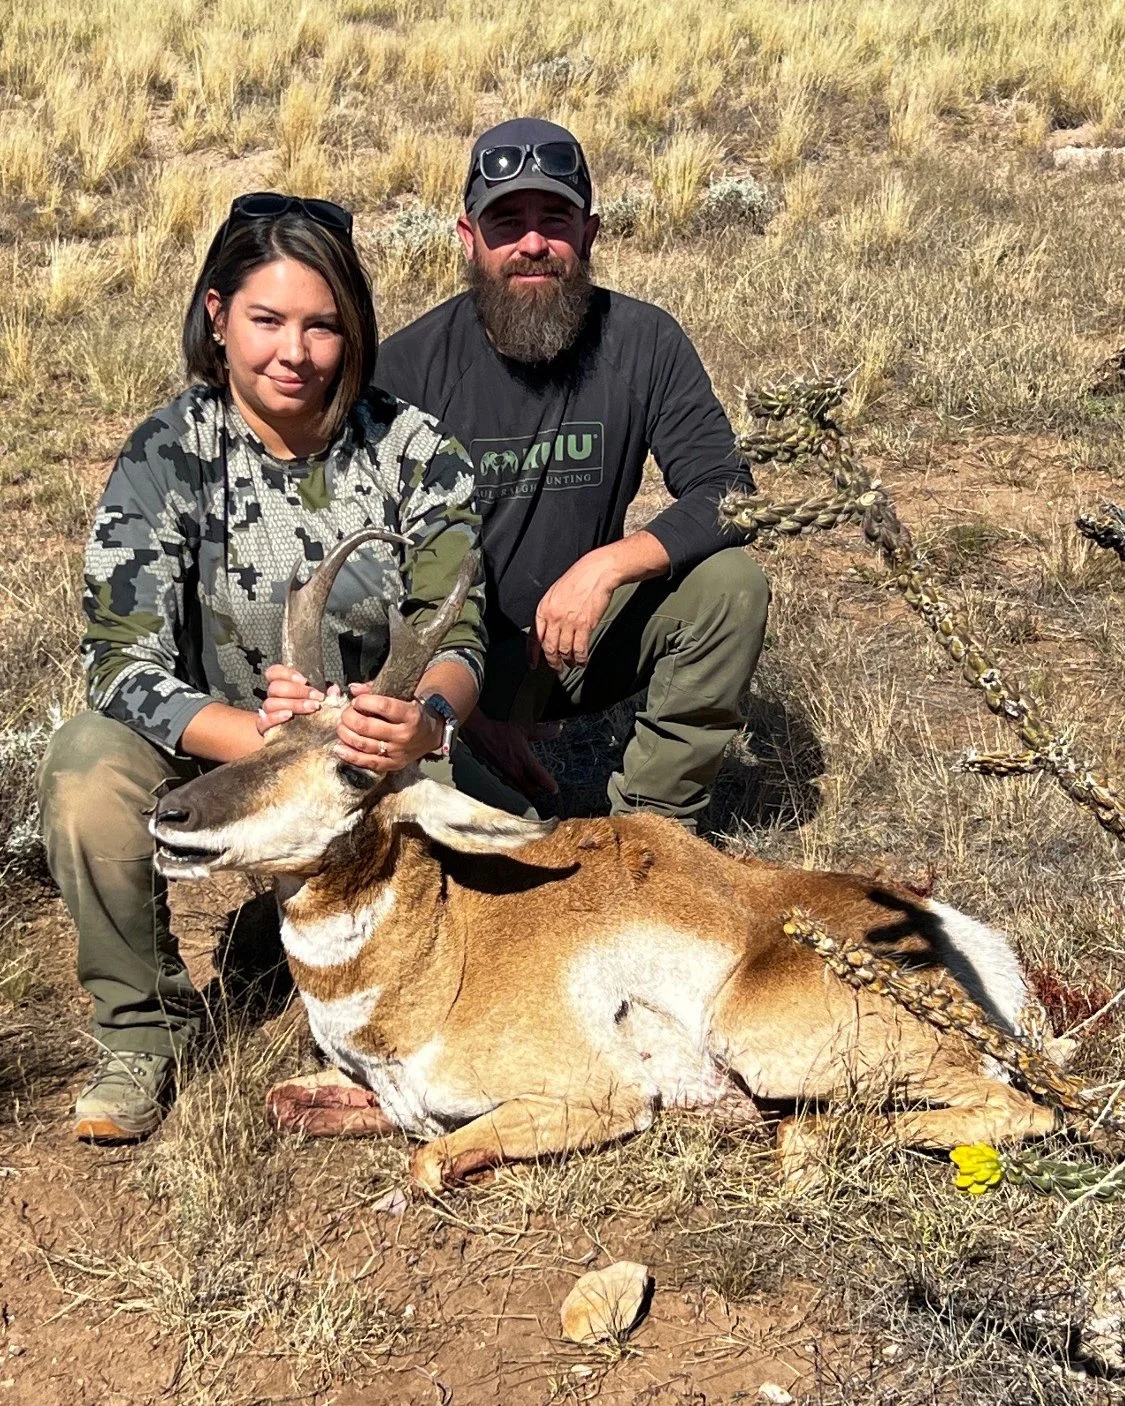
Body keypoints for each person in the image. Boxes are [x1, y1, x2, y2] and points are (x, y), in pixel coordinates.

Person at [37, 192, 517, 1143]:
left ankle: (418, 1012)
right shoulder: (167, 453)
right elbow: (119, 661)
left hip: (368, 754)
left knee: (504, 852)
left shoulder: (415, 451)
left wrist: (425, 721)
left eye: (322, 326)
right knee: (85, 772)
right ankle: (143, 1027)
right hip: (218, 743)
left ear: (355, 332)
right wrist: (262, 737)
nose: (294, 352)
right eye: (267, 320)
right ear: (218, 317)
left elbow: (459, 635)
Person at [372, 118, 770, 830]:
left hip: (573, 643)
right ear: (468, 238)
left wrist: (606, 566)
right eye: (506, 223)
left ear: (588, 234)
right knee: (518, 843)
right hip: (438, 665)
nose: (532, 244)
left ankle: (651, 832)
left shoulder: (644, 342)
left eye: (554, 221)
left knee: (729, 585)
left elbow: (727, 489)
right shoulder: (406, 368)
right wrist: (460, 714)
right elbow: (367, 572)